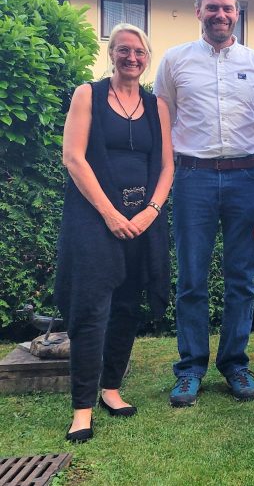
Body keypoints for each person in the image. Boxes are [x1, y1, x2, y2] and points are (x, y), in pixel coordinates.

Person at [154, 0, 254, 407]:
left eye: (227, 8)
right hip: (194, 179)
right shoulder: (173, 62)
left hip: (246, 177)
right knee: (191, 278)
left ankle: (234, 363)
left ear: (237, 13)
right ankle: (190, 368)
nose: (220, 15)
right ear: (198, 11)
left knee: (241, 277)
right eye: (212, 8)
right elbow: (164, 123)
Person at [55, 23, 173, 442]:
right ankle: (82, 409)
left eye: (139, 52)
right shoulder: (87, 94)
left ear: (147, 57)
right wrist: (109, 214)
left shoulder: (156, 104)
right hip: (94, 219)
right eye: (124, 50)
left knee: (127, 305)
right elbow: (74, 158)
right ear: (112, 53)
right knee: (91, 310)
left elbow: (166, 166)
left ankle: (111, 389)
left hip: (143, 219)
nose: (132, 58)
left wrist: (152, 211)